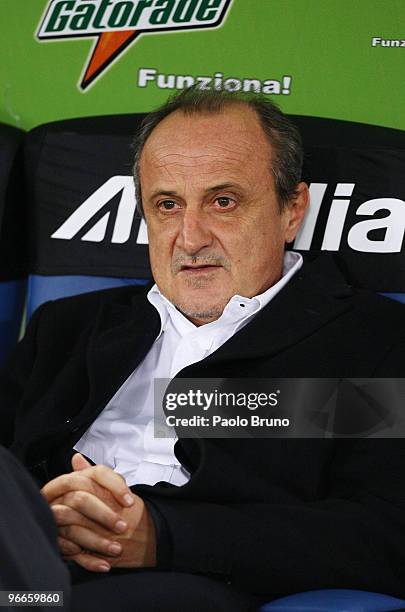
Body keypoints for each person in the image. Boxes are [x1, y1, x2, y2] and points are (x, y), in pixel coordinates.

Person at [1, 88, 405, 611]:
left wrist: (161, 535)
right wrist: (43, 516)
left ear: (292, 210)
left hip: (180, 583)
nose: (190, 238)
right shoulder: (69, 327)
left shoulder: (371, 340)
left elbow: (384, 532)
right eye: (167, 205)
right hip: (28, 569)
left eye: (223, 201)